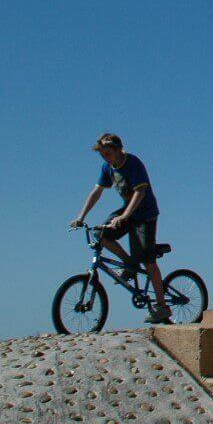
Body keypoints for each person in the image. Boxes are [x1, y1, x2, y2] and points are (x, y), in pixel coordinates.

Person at [71, 133, 170, 324]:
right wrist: (81, 217)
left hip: (145, 214)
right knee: (100, 234)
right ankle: (129, 264)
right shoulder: (107, 168)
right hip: (128, 211)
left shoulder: (133, 163)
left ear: (118, 150)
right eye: (102, 155)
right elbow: (97, 191)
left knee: (147, 259)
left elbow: (140, 191)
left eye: (108, 154)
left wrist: (124, 216)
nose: (105, 158)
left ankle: (162, 306)